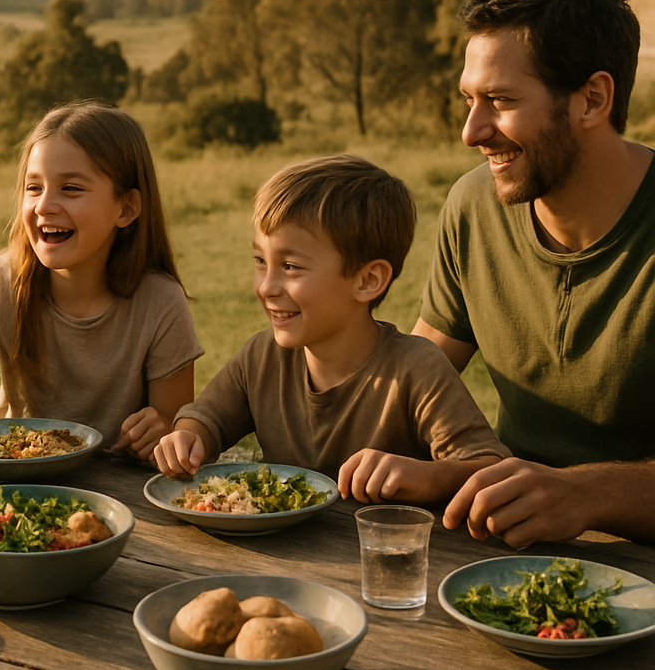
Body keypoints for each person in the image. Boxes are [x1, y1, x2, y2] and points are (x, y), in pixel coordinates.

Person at [414, 0, 655, 547]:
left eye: (499, 100)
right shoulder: (474, 204)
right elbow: (412, 379)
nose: (473, 131)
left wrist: (586, 494)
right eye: (470, 100)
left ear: (593, 98)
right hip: (509, 553)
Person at [154, 154, 507, 504]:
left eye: (290, 266)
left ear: (367, 281)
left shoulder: (415, 368)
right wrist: (187, 437)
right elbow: (207, 418)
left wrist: (427, 476)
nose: (266, 287)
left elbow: (490, 467)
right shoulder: (261, 357)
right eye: (261, 262)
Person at [0, 101, 202, 461]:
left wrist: (165, 430)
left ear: (126, 208)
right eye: (33, 187)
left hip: (117, 492)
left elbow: (174, 430)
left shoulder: (161, 302)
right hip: (12, 477)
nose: (44, 205)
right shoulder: (7, 280)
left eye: (71, 188)